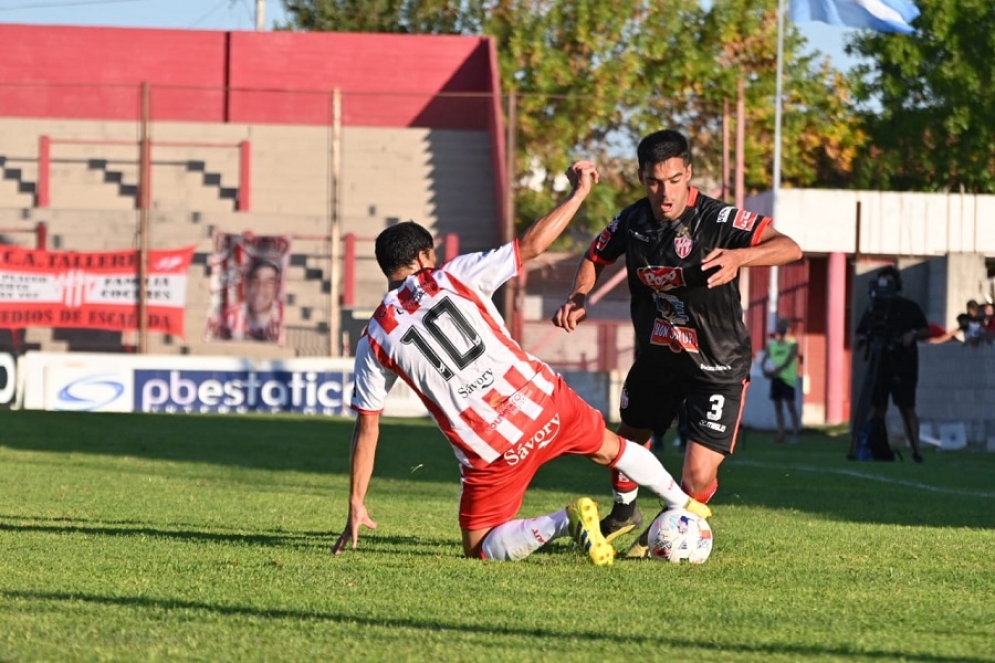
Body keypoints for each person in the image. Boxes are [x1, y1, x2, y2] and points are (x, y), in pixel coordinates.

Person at [332, 161, 710, 567]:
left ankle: (564, 522)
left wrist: (356, 502)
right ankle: (683, 502)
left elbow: (367, 426)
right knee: (613, 448)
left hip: (490, 444)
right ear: (426, 256)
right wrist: (578, 194)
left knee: (479, 544)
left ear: (387, 269)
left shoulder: (375, 335)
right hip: (545, 401)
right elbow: (530, 245)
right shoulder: (454, 274)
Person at [552, 130, 802, 557]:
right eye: (654, 182)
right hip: (659, 358)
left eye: (673, 180)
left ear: (688, 174)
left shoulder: (717, 219)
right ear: (641, 178)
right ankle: (624, 512)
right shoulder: (632, 221)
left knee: (697, 476)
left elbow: (790, 248)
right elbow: (595, 256)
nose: (664, 193)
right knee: (626, 441)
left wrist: (739, 257)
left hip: (716, 363)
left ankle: (668, 529)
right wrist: (579, 296)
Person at [854, 265, 929, 463]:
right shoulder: (874, 308)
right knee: (877, 408)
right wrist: (862, 340)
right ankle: (875, 446)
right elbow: (861, 332)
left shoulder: (909, 307)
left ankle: (916, 450)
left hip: (903, 364)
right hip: (880, 364)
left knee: (906, 407)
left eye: (888, 282)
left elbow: (925, 330)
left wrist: (912, 334)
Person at [760, 317, 801, 444]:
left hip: (788, 379)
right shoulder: (773, 344)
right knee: (778, 407)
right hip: (776, 379)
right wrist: (764, 370)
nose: (782, 329)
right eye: (781, 326)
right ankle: (780, 433)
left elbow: (789, 360)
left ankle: (796, 433)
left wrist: (775, 370)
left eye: (785, 326)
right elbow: (764, 359)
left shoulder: (793, 344)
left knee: (790, 406)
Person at [224, 258, 284, 342]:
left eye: (269, 282)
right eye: (255, 280)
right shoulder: (229, 316)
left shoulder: (282, 315)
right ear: (247, 284)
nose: (261, 288)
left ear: (276, 287)